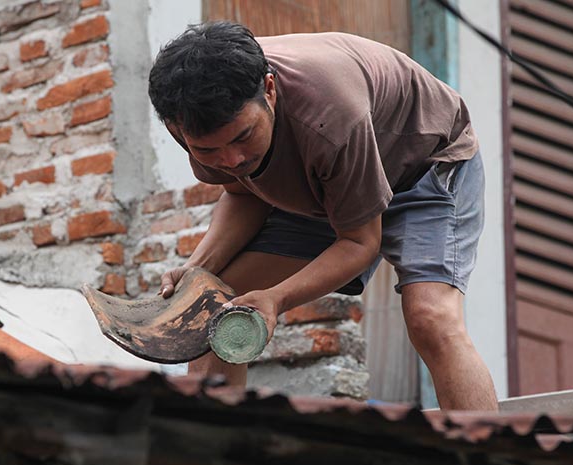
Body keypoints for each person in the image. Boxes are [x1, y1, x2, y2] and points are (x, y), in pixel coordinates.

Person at [147, 21, 497, 410]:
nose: (232, 160)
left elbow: (360, 242)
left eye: (242, 137)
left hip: (424, 164)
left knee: (431, 318)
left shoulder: (330, 116)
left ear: (269, 89)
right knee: (214, 309)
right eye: (208, 151)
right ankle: (218, 458)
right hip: (324, 179)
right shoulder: (194, 121)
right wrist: (198, 272)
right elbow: (244, 195)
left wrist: (275, 299)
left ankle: (485, 464)